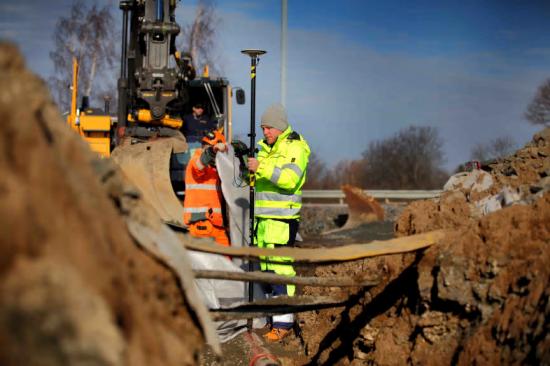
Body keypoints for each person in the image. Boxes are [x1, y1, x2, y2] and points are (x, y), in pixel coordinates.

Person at [247, 104, 311, 342]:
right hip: (264, 220)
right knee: (267, 271)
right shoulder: (265, 148)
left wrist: (261, 167)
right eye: (263, 129)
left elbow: (288, 179)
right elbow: (257, 180)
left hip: (282, 220)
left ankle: (284, 323)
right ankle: (276, 319)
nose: (265, 133)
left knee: (281, 269)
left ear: (280, 126)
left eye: (269, 128)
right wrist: (248, 168)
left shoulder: (295, 146)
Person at [183, 129, 230, 247]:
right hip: (202, 225)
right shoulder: (196, 158)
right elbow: (199, 166)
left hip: (217, 224)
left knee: (225, 262)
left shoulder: (215, 168)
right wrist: (213, 151)